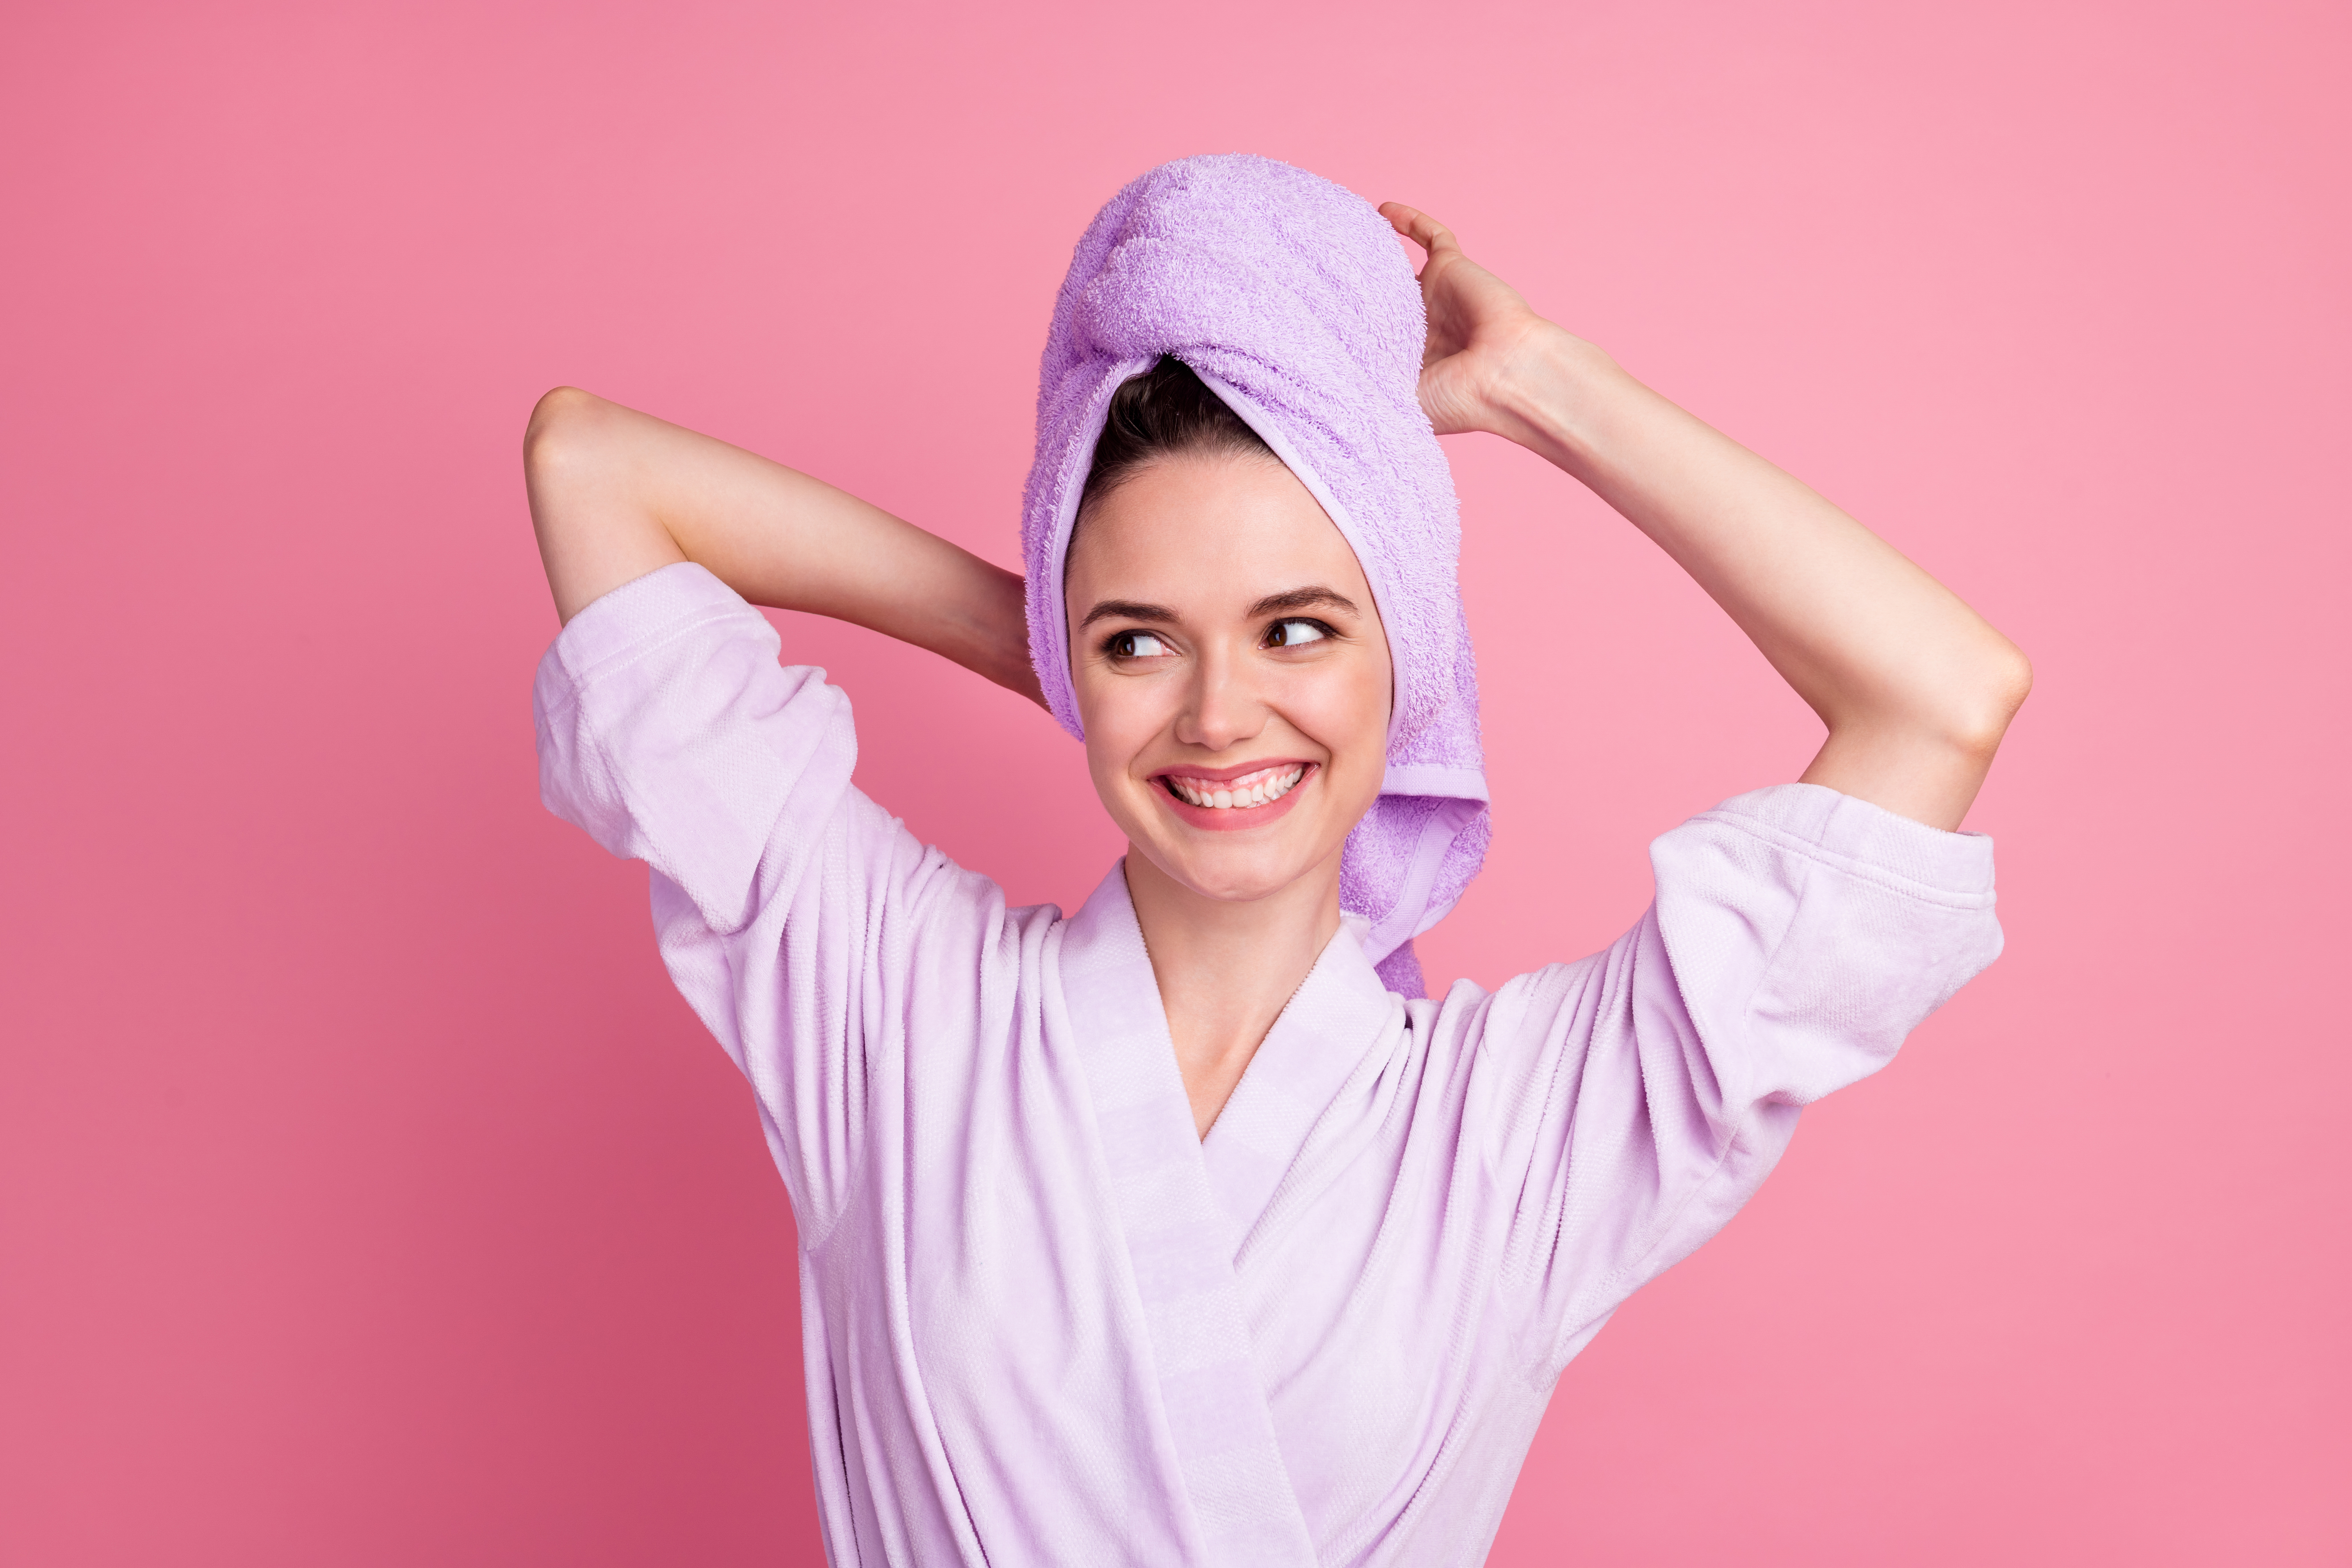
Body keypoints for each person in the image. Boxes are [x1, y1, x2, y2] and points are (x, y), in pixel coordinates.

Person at [524, 155, 2026, 1567]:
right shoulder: (892, 1004)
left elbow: (1943, 694)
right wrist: (1058, 646)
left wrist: (1536, 384)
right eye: (1143, 641)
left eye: (1297, 628)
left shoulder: (1520, 1129)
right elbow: (594, 465)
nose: (1222, 713)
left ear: (1406, 658)